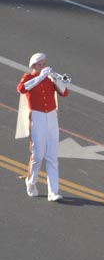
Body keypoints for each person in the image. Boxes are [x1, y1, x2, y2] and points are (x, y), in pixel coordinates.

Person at [17, 52, 69, 201]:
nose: (44, 66)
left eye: (44, 63)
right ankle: (31, 181)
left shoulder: (50, 78)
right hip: (38, 118)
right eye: (40, 64)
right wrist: (40, 77)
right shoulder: (29, 77)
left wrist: (56, 80)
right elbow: (21, 89)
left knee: (52, 156)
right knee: (38, 155)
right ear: (33, 66)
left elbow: (64, 92)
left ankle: (53, 191)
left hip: (52, 117)